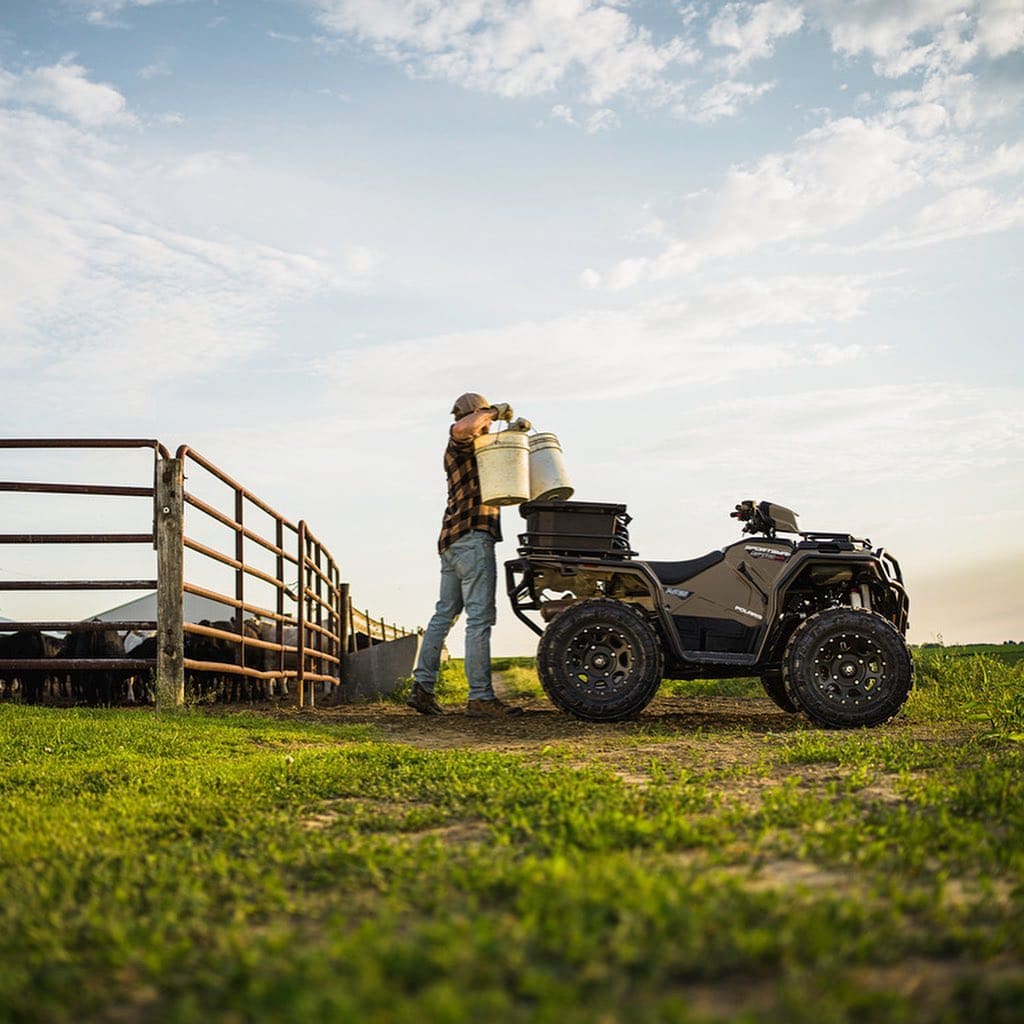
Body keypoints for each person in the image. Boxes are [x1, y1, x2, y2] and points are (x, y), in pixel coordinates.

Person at [407, 392, 527, 718]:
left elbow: (492, 443)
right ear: (472, 414)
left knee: (444, 614)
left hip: (452, 542)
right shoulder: (460, 441)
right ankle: (481, 698)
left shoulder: (478, 448)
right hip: (473, 539)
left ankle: (423, 688)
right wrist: (494, 411)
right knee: (480, 619)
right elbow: (464, 429)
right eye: (481, 417)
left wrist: (514, 428)